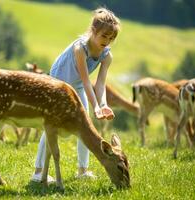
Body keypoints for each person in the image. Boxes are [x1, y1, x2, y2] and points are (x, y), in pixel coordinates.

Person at [31, 7, 121, 182]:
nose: (107, 41)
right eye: (104, 36)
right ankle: (38, 171)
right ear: (94, 31)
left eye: (111, 38)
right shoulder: (80, 48)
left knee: (85, 126)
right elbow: (87, 80)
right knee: (51, 126)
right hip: (57, 85)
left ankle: (82, 170)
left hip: (77, 86)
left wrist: (103, 105)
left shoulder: (107, 56)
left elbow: (100, 84)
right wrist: (95, 106)